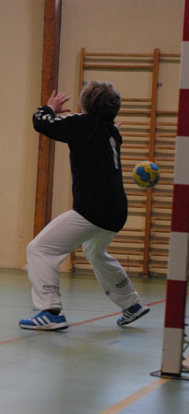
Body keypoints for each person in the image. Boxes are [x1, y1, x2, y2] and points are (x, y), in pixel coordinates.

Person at [20, 82, 149, 331]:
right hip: (116, 211)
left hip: (92, 210)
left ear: (84, 104)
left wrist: (49, 107)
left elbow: (42, 123)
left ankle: (50, 312)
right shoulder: (111, 131)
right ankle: (131, 305)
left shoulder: (86, 124)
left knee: (39, 249)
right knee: (95, 252)